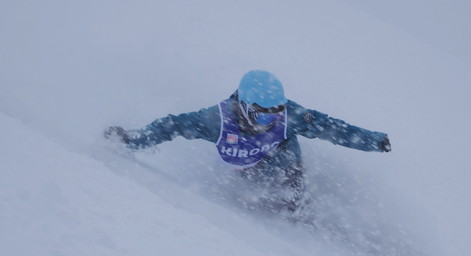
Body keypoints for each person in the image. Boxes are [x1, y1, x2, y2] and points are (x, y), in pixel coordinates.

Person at [105, 70, 391, 212]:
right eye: (259, 113)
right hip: (246, 170)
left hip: (283, 166)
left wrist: (375, 141)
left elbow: (334, 129)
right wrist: (131, 140)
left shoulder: (291, 116)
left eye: (275, 112)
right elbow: (173, 126)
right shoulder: (217, 120)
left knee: (292, 201)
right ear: (242, 104)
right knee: (255, 197)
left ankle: (302, 220)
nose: (268, 120)